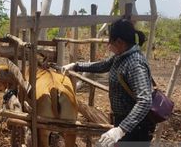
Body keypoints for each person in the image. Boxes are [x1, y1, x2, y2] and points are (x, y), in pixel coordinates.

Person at [62, 18, 156, 147]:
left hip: (136, 126)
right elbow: (102, 66)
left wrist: (121, 129)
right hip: (123, 121)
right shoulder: (121, 56)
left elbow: (145, 100)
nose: (108, 46)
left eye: (110, 42)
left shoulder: (135, 63)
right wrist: (76, 66)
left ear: (119, 42)